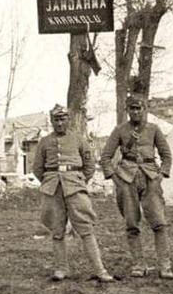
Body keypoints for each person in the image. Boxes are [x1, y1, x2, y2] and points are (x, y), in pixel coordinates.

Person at [32, 104, 114, 283]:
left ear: (68, 120)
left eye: (63, 119)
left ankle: (100, 270)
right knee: (57, 230)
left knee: (86, 227)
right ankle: (61, 268)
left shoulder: (78, 139)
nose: (60, 123)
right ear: (51, 121)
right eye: (56, 120)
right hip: (53, 187)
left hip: (75, 186)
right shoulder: (44, 142)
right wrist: (49, 182)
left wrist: (78, 181)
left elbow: (89, 165)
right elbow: (37, 168)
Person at [99, 95, 173, 279]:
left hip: (150, 178)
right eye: (132, 108)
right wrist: (115, 179)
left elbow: (167, 155)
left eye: (139, 108)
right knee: (132, 224)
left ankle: (165, 265)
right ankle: (138, 264)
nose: (135, 112)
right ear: (128, 110)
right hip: (127, 179)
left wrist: (160, 175)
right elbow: (105, 157)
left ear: (145, 109)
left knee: (159, 222)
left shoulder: (154, 129)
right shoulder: (119, 130)